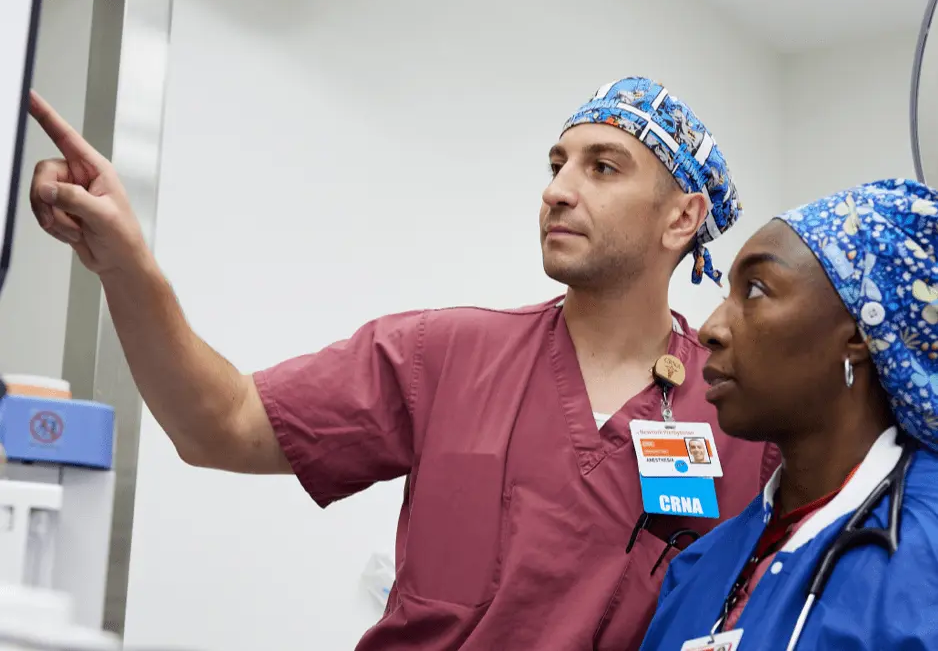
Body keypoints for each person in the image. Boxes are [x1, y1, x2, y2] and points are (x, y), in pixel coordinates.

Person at [27, 76, 775, 650]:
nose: (556, 190)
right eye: (556, 164)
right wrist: (125, 265)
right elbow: (217, 425)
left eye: (603, 167)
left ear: (682, 218)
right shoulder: (442, 356)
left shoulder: (742, 415)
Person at [638, 178, 938, 651]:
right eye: (724, 298)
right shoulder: (699, 568)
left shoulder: (927, 553)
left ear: (861, 330)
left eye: (755, 291)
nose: (712, 329)